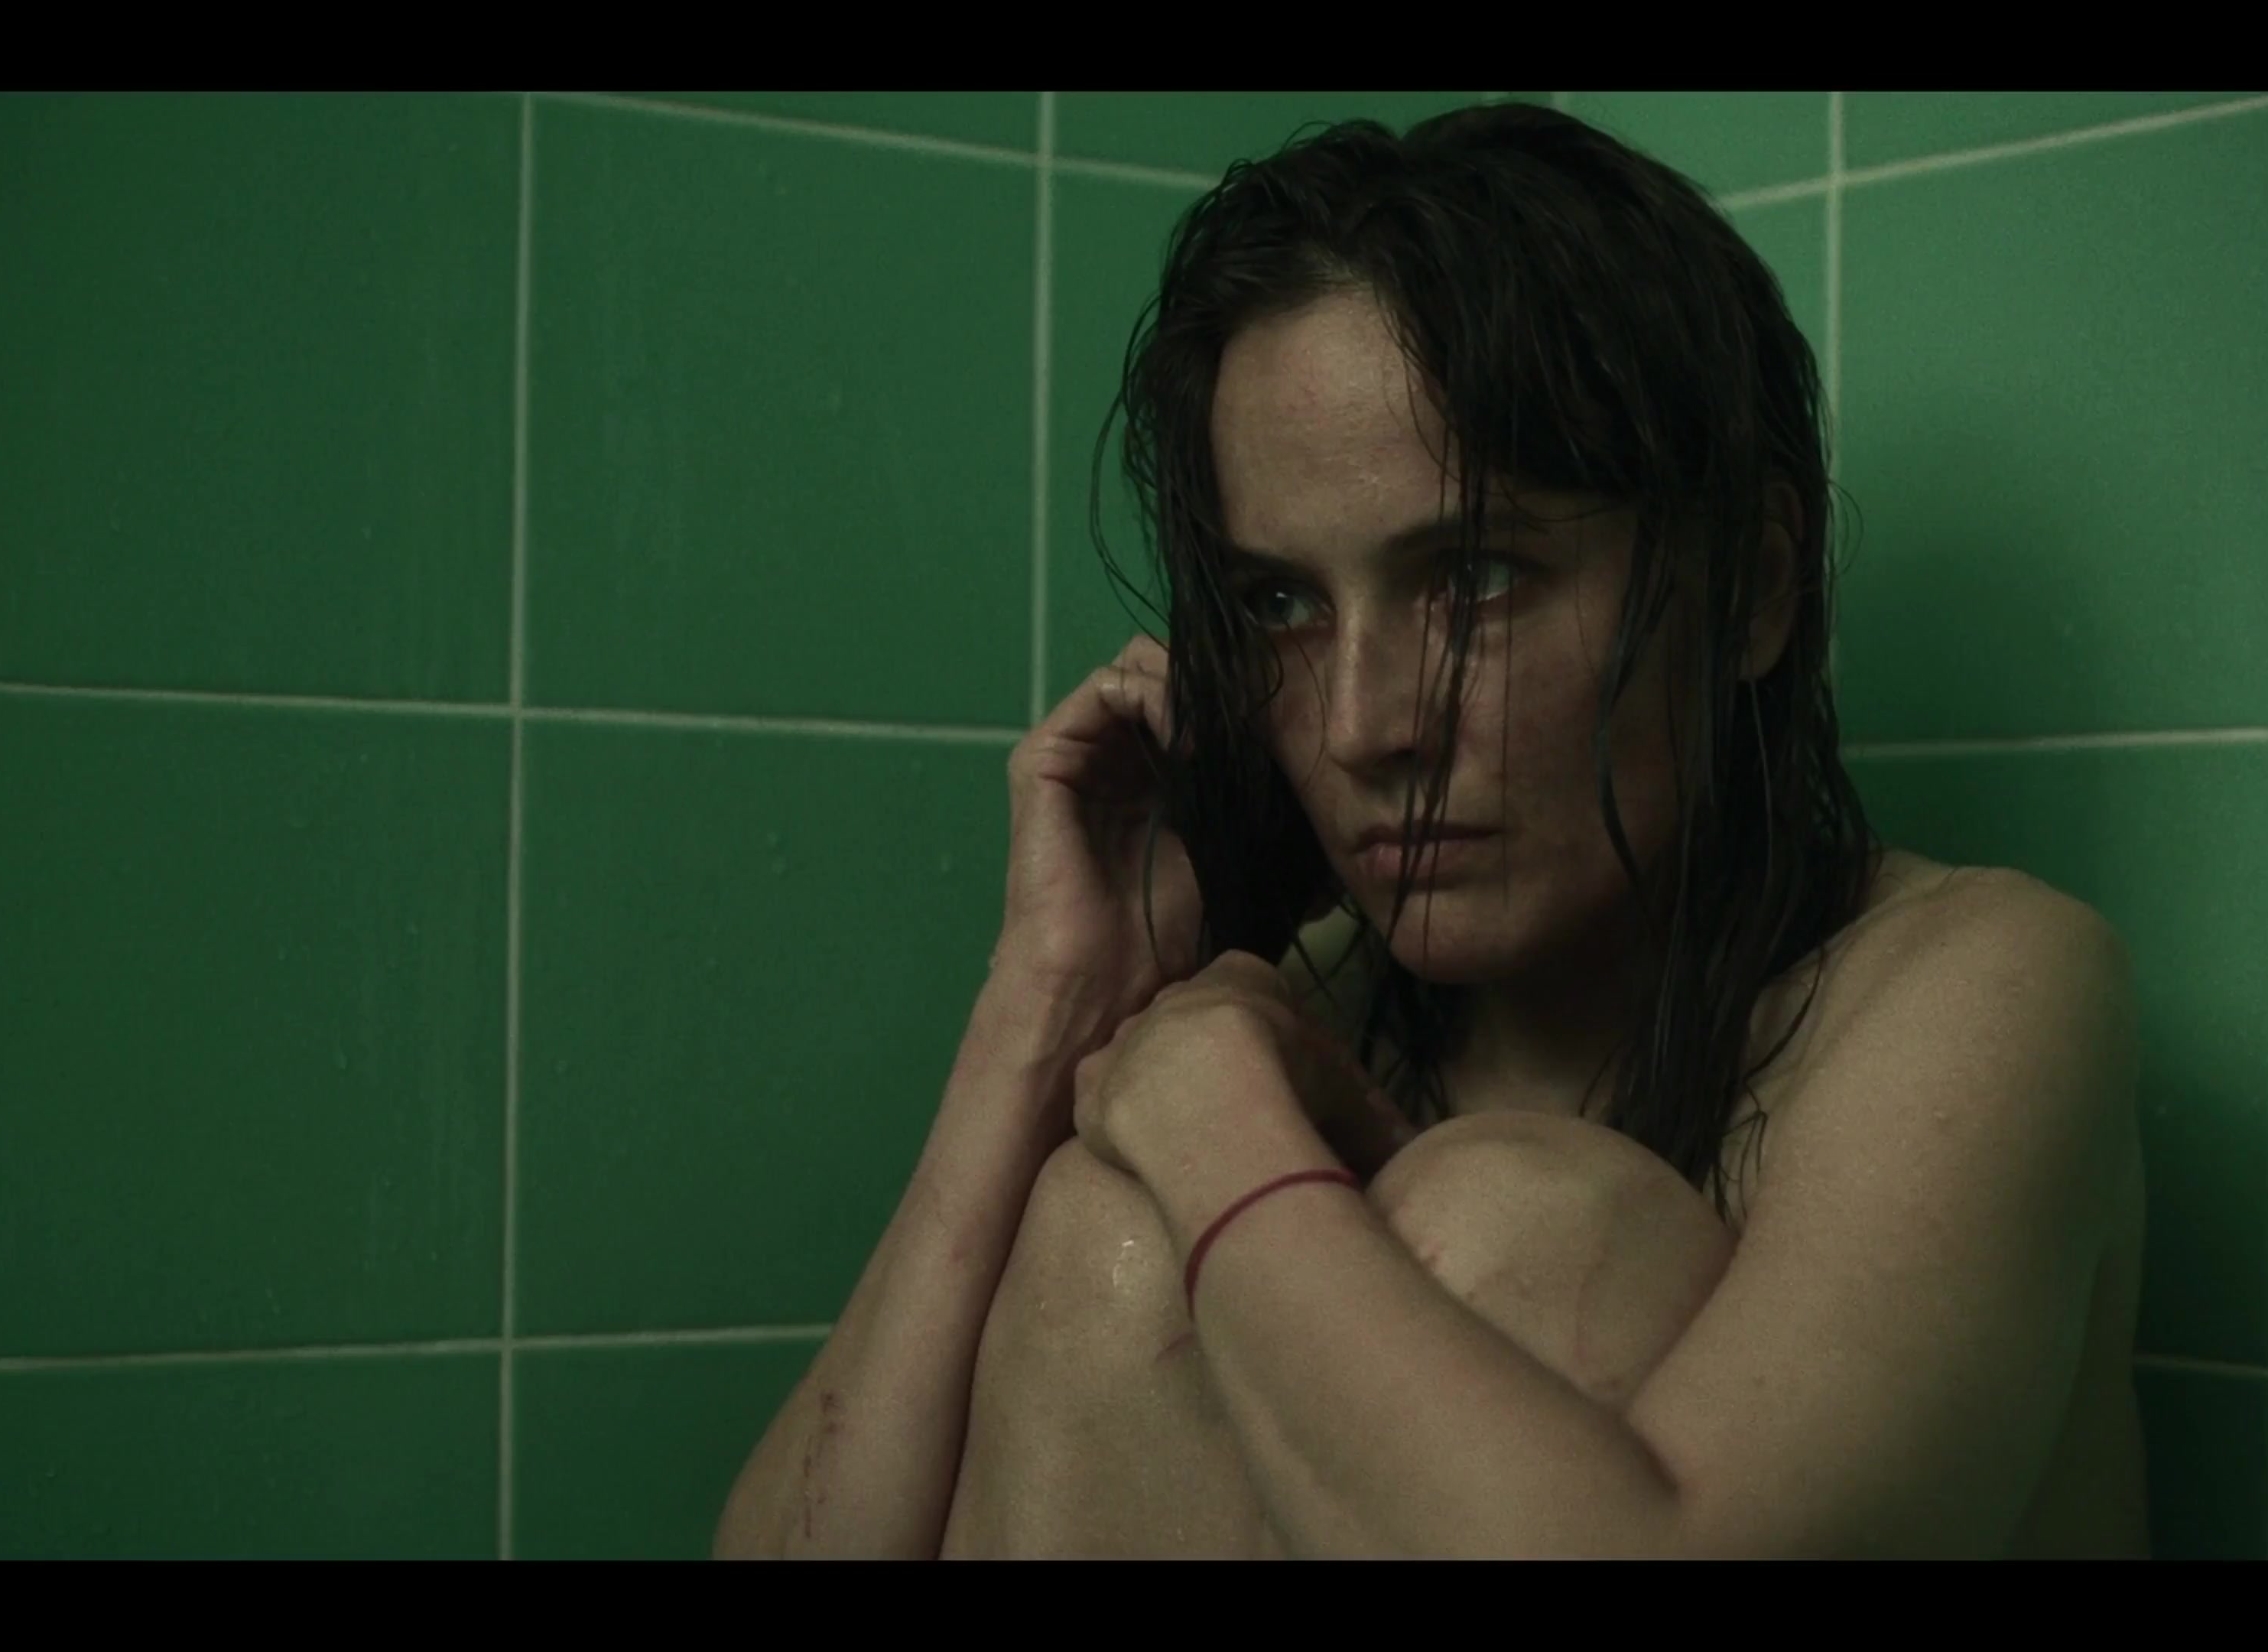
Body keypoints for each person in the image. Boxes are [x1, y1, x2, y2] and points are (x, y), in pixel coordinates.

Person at [716, 101, 2148, 1559]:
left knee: (1517, 1217)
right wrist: (1046, 1013)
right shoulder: (1306, 1018)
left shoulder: (1976, 994)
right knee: (1113, 1230)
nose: (1360, 725)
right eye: (1282, 603)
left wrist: (1211, 1127)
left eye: (1474, 579)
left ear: (1756, 586)